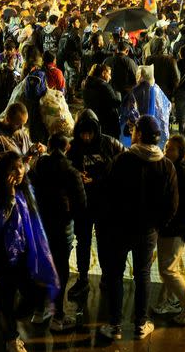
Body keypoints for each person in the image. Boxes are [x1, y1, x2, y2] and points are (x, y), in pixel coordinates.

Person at [98, 115, 178, 341]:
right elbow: (172, 205)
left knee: (115, 274)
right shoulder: (165, 166)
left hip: (120, 229)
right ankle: (141, 324)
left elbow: (107, 194)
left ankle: (114, 325)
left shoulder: (122, 161)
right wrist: (157, 225)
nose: (131, 133)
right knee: (143, 275)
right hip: (147, 232)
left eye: (134, 130)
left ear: (140, 135)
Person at [0, 151, 59, 352]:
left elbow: (34, 223)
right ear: (3, 172)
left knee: (33, 294)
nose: (19, 172)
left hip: (24, 254)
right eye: (13, 168)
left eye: (20, 167)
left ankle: (10, 321)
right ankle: (10, 337)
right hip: (2, 258)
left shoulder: (26, 189)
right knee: (5, 300)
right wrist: (9, 197)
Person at [65, 109, 125, 301]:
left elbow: (124, 165)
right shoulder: (73, 147)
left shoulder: (110, 143)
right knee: (83, 242)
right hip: (82, 204)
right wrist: (77, 177)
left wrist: (99, 180)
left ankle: (107, 276)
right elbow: (66, 168)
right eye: (83, 133)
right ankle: (82, 279)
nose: (86, 137)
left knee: (104, 241)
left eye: (90, 133)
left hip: (105, 203)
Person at [30, 133, 87, 332]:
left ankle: (38, 311)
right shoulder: (71, 171)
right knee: (60, 270)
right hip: (62, 227)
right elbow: (81, 203)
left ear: (48, 145)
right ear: (67, 147)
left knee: (40, 265)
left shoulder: (37, 166)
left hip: (40, 226)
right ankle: (58, 316)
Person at [153, 134, 185, 325]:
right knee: (169, 267)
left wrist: (168, 225)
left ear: (181, 152)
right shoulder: (176, 168)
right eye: (166, 147)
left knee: (167, 269)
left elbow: (182, 206)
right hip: (174, 227)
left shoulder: (182, 174)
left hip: (175, 228)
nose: (166, 151)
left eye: (172, 149)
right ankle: (170, 301)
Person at [0, 101, 45, 172]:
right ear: (8, 119)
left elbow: (28, 149)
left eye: (23, 124)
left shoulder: (19, 130)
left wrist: (35, 148)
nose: (21, 128)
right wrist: (17, 162)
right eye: (18, 124)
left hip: (24, 176)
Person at [81, 63, 121, 139]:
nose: (110, 77)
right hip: (107, 123)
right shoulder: (104, 86)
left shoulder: (85, 83)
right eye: (109, 74)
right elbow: (116, 103)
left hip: (92, 118)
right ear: (103, 73)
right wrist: (117, 93)